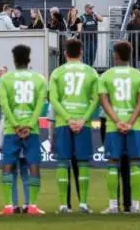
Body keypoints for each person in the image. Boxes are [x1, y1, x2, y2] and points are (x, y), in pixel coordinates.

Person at [49, 38, 99, 214]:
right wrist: (83, 119)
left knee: (63, 161)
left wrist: (68, 118)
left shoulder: (57, 72)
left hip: (64, 123)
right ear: (82, 53)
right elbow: (95, 99)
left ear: (64, 53)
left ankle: (63, 205)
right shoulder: (91, 72)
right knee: (83, 162)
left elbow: (53, 99)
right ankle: (84, 204)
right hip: (83, 123)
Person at [98, 41, 140, 214]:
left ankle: (113, 206)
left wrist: (117, 121)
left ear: (116, 55)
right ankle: (135, 205)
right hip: (133, 127)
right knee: (135, 163)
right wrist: (130, 121)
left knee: (113, 163)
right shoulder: (139, 76)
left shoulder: (105, 76)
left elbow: (104, 102)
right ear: (131, 55)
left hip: (113, 126)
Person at [0, 44, 47, 216]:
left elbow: (4, 105)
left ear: (14, 60)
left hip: (12, 130)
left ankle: (9, 206)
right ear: (29, 59)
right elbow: (40, 105)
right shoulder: (39, 79)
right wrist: (29, 124)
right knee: (33, 165)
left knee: (7, 166)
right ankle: (32, 205)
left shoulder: (5, 79)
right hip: (31, 130)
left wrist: (16, 125)